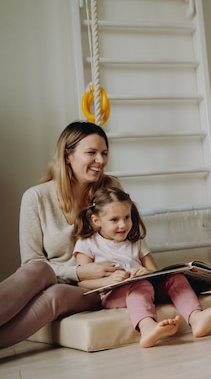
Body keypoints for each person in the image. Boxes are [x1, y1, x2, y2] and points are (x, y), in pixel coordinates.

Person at [0, 121, 122, 349]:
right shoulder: (36, 197)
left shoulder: (109, 192)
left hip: (96, 286)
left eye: (104, 153)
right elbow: (31, 261)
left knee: (56, 295)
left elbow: (127, 240)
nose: (101, 161)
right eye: (91, 153)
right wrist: (77, 271)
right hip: (52, 276)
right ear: (68, 156)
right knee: (36, 269)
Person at [73, 186, 211, 348]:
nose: (123, 225)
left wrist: (147, 271)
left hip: (146, 286)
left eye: (127, 217)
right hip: (111, 294)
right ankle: (147, 327)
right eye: (114, 220)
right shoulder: (87, 244)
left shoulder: (136, 241)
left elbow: (155, 271)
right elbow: (82, 283)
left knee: (176, 278)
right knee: (139, 285)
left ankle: (197, 318)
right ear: (96, 220)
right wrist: (108, 280)